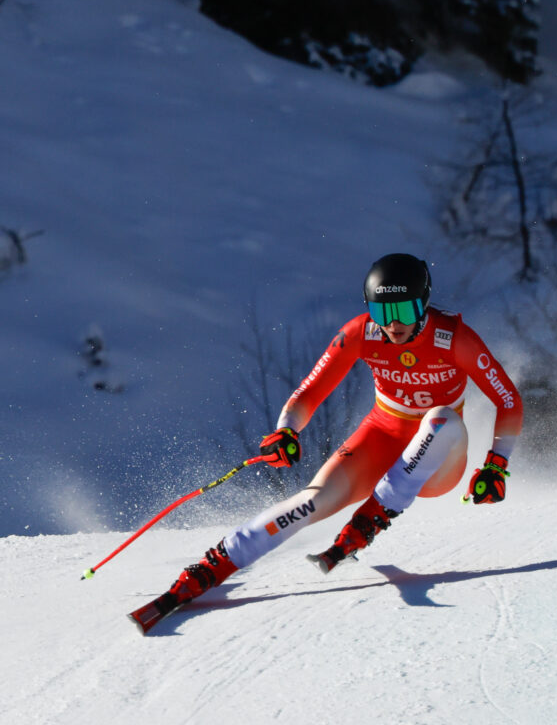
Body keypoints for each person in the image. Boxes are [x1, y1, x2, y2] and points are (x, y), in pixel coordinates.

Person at [129, 253, 524, 633]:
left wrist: (495, 464)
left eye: (403, 311)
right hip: (381, 437)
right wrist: (287, 429)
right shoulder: (360, 332)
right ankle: (212, 567)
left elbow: (508, 399)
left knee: (441, 419)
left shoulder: (453, 338)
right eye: (382, 312)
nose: (392, 324)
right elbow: (311, 390)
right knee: (311, 501)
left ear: (423, 305)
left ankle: (375, 513)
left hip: (437, 462)